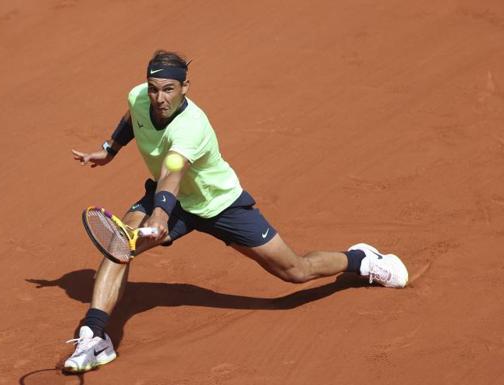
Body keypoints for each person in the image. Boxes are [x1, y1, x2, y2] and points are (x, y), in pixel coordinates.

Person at [65, 50, 409, 373]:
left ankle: (361, 260)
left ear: (186, 86)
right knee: (119, 243)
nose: (160, 98)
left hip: (219, 204)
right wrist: (110, 148)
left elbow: (173, 170)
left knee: (294, 271)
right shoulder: (140, 96)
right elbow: (132, 115)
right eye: (155, 90)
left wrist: (160, 216)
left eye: (169, 89)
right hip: (174, 202)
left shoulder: (192, 126)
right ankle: (95, 337)